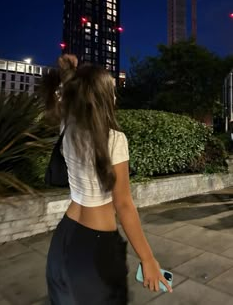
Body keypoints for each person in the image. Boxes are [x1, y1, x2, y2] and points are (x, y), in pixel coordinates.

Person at [45, 55, 173, 305]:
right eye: (111, 91)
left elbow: (65, 99)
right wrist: (147, 259)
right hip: (97, 247)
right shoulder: (114, 140)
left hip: (64, 237)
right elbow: (123, 204)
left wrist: (69, 72)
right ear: (102, 98)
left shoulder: (67, 128)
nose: (115, 97)